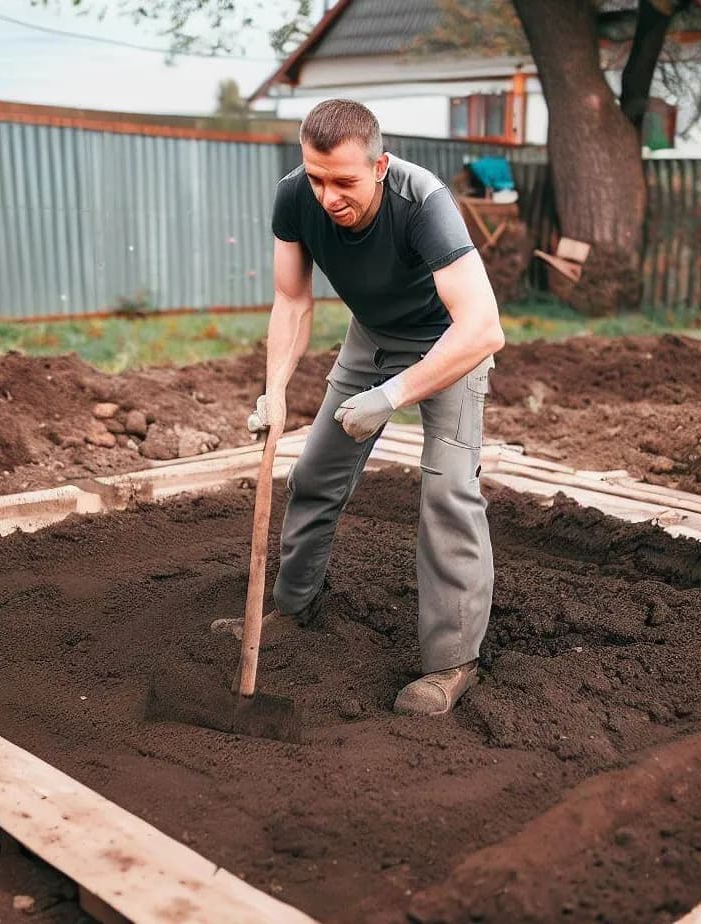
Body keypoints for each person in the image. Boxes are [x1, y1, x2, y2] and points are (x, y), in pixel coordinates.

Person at [214, 99, 504, 716]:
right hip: (371, 338)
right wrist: (274, 390)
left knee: (448, 491)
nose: (328, 197)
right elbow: (292, 300)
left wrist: (391, 396)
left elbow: (482, 328)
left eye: (344, 181)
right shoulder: (295, 196)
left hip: (449, 347)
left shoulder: (423, 204)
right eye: (316, 178)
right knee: (314, 473)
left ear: (379, 166)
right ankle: (294, 609)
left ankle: (452, 663)